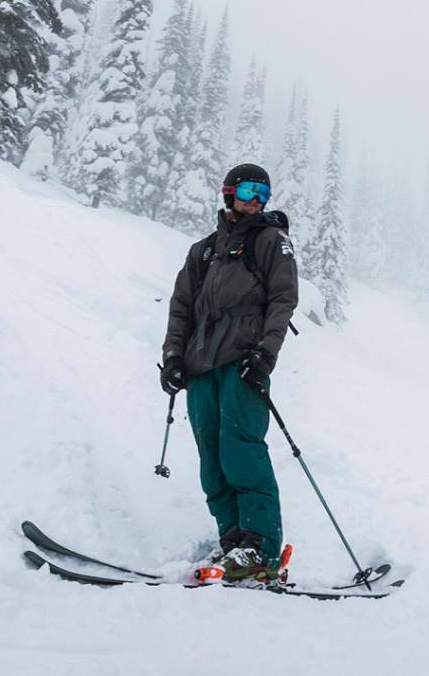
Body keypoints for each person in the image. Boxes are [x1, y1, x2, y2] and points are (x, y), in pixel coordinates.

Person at [159, 162, 300, 583]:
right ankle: (233, 540)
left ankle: (260, 548)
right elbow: (181, 306)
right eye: (250, 191)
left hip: (243, 362)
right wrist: (173, 357)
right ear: (228, 194)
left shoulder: (271, 241)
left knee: (242, 449)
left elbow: (283, 301)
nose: (257, 201)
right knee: (212, 457)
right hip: (201, 367)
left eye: (264, 194)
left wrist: (265, 356)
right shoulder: (203, 251)